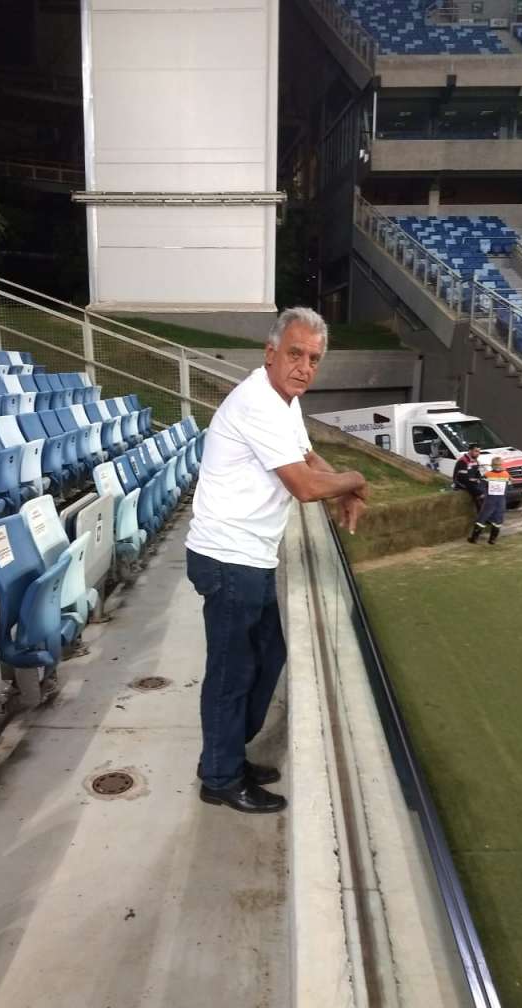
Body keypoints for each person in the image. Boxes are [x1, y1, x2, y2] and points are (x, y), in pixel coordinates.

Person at [186, 307, 367, 814]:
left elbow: (309, 460)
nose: (305, 366)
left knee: (268, 656)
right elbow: (307, 486)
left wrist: (341, 485)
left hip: (250, 557)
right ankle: (220, 776)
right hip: (228, 558)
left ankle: (225, 755)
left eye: (314, 358)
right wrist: (351, 481)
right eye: (295, 354)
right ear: (270, 353)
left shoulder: (283, 402)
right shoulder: (258, 404)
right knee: (232, 672)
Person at [468, 456, 511, 546]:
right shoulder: (506, 474)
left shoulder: (488, 475)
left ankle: (474, 538)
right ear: (501, 465)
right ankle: (492, 540)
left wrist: (482, 493)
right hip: (501, 500)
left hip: (490, 500)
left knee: (482, 517)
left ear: (492, 465)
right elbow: (509, 487)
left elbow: (480, 486)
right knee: (498, 519)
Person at [453, 443, 484, 511]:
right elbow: (462, 478)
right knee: (481, 494)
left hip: (472, 482)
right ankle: (482, 517)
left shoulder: (476, 461)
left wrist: (479, 479)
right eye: (476, 451)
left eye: (479, 451)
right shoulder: (463, 461)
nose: (478, 453)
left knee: (486, 489)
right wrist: (475, 481)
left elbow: (478, 474)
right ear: (470, 451)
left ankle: (484, 516)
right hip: (461, 483)